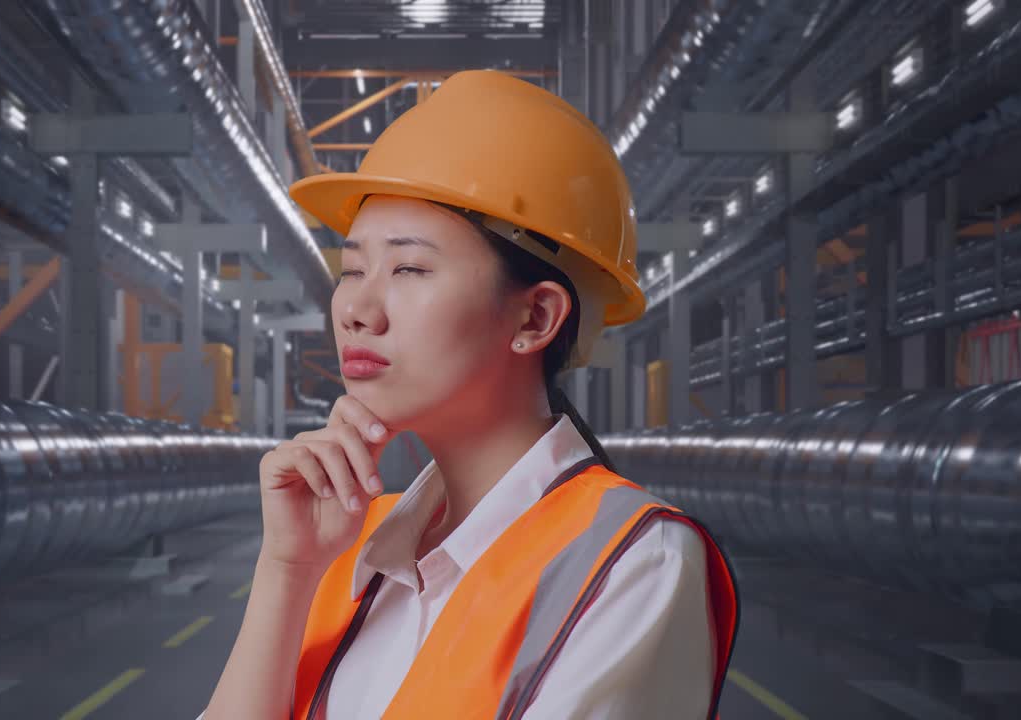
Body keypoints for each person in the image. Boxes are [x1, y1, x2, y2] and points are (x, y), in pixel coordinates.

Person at [199, 69, 738, 719]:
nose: (356, 311)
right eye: (353, 270)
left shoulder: (631, 563)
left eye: (409, 268)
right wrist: (287, 568)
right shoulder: (350, 544)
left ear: (535, 319)